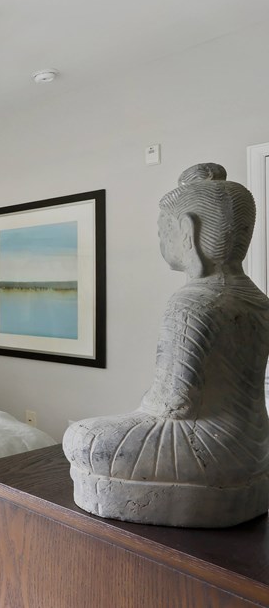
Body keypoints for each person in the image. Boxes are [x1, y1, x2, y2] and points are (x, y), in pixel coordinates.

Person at [63, 163, 269, 527]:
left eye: (163, 231)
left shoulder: (193, 301)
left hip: (203, 448)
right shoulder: (258, 299)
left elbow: (175, 402)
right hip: (255, 448)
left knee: (83, 437)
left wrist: (144, 406)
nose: (160, 241)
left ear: (188, 232)